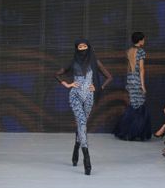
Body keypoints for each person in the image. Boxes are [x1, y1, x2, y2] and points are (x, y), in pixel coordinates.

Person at [55, 39, 112, 175]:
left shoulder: (95, 62)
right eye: (80, 47)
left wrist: (99, 87)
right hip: (75, 95)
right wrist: (67, 84)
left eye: (84, 46)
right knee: (81, 123)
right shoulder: (73, 62)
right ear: (76, 49)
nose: (82, 49)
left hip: (89, 97)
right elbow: (57, 74)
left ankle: (76, 146)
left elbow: (109, 77)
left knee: (82, 124)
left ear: (89, 47)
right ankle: (87, 157)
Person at [114, 32, 151, 141]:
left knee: (134, 105)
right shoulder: (141, 51)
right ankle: (134, 133)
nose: (144, 41)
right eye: (143, 39)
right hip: (137, 81)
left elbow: (129, 68)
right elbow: (141, 69)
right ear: (140, 40)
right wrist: (143, 85)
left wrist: (129, 81)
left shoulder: (129, 51)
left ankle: (127, 132)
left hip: (130, 80)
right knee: (139, 106)